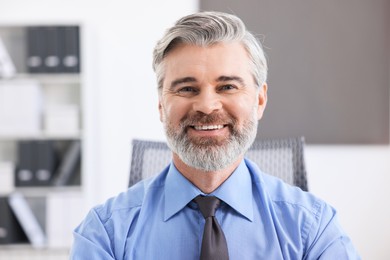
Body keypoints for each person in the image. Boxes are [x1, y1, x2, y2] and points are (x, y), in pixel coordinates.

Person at [70, 11, 360, 259]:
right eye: (186, 88)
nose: (207, 106)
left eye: (228, 87)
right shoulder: (106, 233)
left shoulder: (313, 229)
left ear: (259, 100)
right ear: (161, 105)